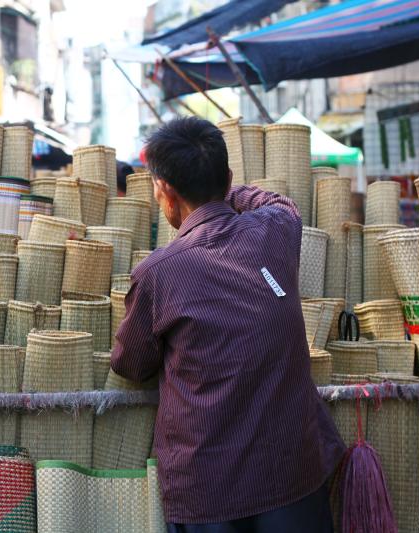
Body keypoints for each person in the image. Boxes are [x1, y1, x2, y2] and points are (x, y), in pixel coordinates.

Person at [111, 118, 344, 532]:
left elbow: (131, 364)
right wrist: (217, 193)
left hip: (210, 490)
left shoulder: (158, 273)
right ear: (228, 178)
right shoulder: (274, 229)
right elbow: (279, 202)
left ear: (163, 189)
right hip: (293, 474)